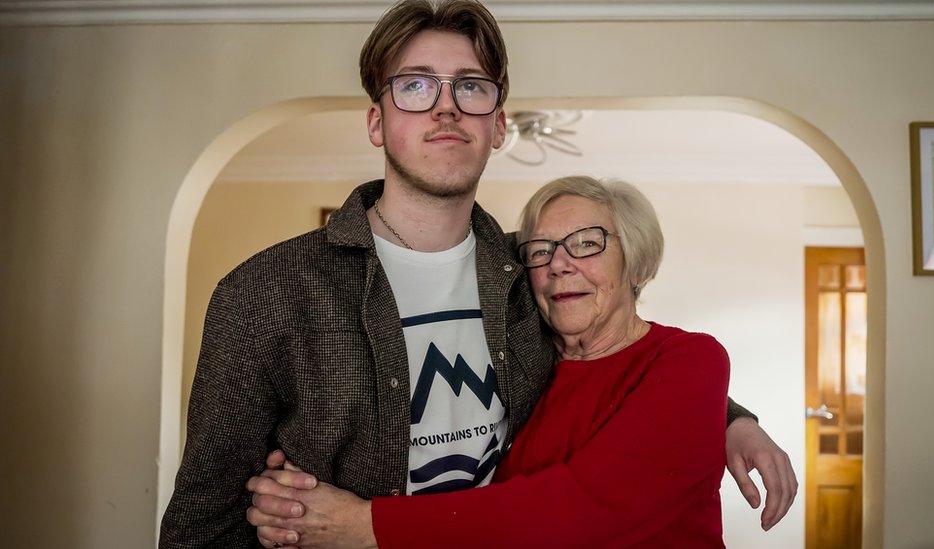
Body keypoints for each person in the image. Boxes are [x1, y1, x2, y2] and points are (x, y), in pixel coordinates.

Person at [159, 1, 796, 547]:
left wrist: (733, 419)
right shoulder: (268, 290)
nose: (446, 108)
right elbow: (203, 520)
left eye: (471, 85)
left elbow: (627, 361)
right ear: (378, 120)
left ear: (497, 124)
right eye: (414, 85)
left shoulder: (532, 275)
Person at [246, 176, 730, 548]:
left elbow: (581, 511)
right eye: (540, 251)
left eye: (587, 243)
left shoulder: (692, 359)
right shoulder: (529, 358)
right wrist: (293, 497)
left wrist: (363, 526)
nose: (559, 264)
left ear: (638, 261)